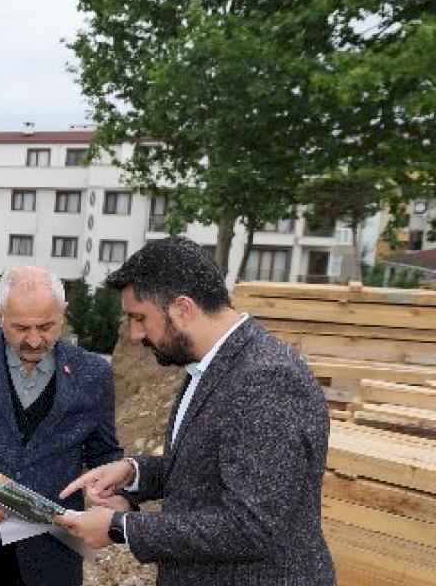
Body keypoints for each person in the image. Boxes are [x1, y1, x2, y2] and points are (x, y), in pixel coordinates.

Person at [55, 237, 334, 586]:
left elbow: (250, 526)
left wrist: (120, 528)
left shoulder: (267, 378)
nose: (134, 332)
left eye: (140, 318)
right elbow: (211, 468)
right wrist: (133, 472)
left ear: (183, 309)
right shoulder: (213, 366)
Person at [0, 266, 123, 585]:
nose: (33, 340)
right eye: (20, 328)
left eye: (46, 326)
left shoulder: (94, 374)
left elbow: (104, 453)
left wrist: (112, 496)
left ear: (64, 314)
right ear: (0, 314)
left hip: (52, 559)